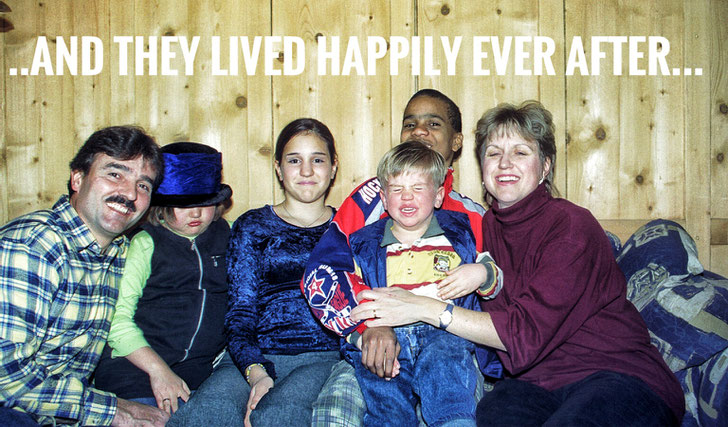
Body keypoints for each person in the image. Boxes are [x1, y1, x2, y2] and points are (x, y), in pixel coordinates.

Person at [350, 101, 685, 426]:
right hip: (532, 384)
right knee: (492, 413)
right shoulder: (483, 228)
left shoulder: (570, 225)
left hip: (615, 374)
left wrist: (425, 308)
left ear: (546, 166)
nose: (505, 163)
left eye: (521, 152)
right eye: (493, 153)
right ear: (482, 169)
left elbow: (524, 333)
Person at [304, 89, 502, 426]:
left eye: (433, 123)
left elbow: (499, 293)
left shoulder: (471, 218)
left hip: (449, 350)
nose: (419, 131)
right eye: (410, 123)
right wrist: (367, 327)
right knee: (341, 409)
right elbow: (323, 271)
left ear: (456, 141)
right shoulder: (373, 198)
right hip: (377, 346)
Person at [168, 118, 341, 427]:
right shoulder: (253, 226)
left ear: (333, 167)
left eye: (317, 160)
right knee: (206, 411)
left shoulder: (349, 230)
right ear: (278, 168)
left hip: (322, 355)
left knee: (281, 414)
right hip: (253, 356)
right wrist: (255, 371)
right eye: (294, 160)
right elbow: (240, 312)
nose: (306, 171)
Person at [0, 126, 169, 426]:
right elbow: (5, 378)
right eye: (115, 174)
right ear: (77, 179)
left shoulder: (118, 252)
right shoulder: (33, 245)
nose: (130, 193)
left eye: (143, 185)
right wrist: (112, 411)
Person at [344, 142, 501, 426]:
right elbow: (349, 299)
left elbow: (496, 277)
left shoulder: (461, 234)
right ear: (383, 196)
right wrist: (361, 337)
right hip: (390, 335)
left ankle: (454, 421)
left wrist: (480, 273)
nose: (407, 197)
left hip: (443, 331)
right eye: (396, 189)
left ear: (439, 195)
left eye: (418, 188)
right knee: (380, 380)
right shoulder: (364, 243)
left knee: (446, 368)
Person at [94, 142, 233, 416]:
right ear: (161, 203)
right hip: (136, 370)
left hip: (199, 375)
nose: (195, 213)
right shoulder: (145, 243)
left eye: (204, 204)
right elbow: (117, 322)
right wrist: (159, 371)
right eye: (183, 205)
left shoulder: (225, 236)